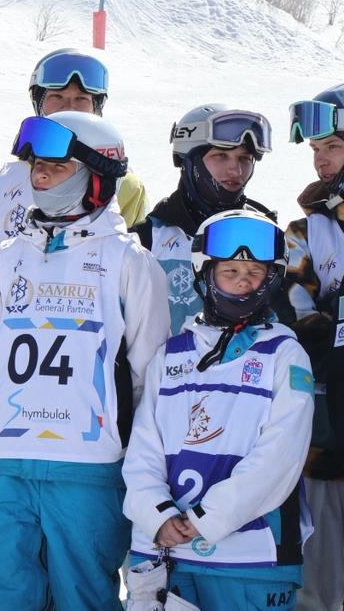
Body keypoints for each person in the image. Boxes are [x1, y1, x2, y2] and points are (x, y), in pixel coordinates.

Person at [0, 112, 170, 609]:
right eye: (36, 164)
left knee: (83, 597)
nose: (40, 174)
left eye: (57, 167)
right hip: (6, 459)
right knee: (7, 593)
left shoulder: (130, 261)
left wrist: (122, 441)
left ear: (97, 177)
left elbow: (148, 371)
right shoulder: (8, 257)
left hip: (87, 463)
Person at [123, 210, 314, 610]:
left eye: (255, 272)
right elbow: (143, 448)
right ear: (206, 274)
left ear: (271, 279)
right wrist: (155, 514)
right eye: (230, 271)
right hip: (166, 554)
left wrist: (207, 519)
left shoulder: (285, 354)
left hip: (252, 560)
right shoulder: (171, 355)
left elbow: (280, 456)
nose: (243, 281)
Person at [276, 84, 344, 611]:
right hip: (330, 439)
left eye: (333, 147)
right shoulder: (308, 229)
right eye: (316, 150)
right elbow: (296, 310)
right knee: (320, 588)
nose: (320, 160)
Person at [132, 105, 275, 334]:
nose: (236, 170)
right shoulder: (147, 238)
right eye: (220, 156)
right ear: (189, 160)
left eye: (245, 158)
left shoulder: (265, 235)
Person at [0, 48, 149, 242]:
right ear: (39, 103)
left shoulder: (125, 188)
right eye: (57, 97)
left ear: (96, 107)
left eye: (81, 98)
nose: (69, 106)